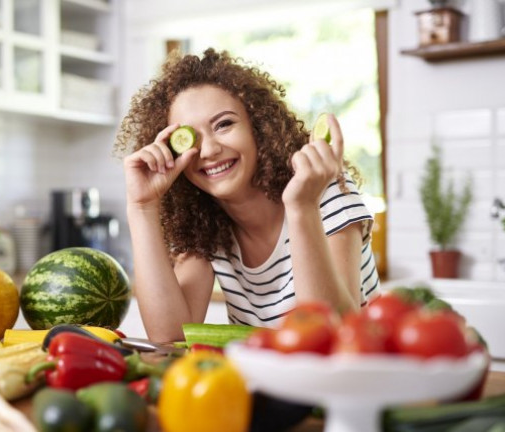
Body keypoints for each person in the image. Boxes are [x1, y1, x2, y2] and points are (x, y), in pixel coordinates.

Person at [113, 48, 380, 342]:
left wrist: (302, 207)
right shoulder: (206, 227)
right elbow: (170, 337)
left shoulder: (323, 193)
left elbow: (332, 334)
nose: (210, 150)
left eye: (224, 124)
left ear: (258, 127)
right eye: (191, 138)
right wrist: (142, 207)